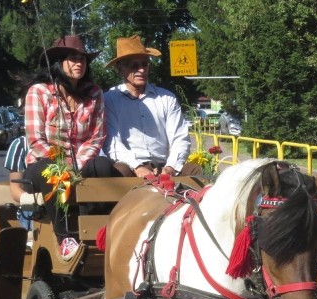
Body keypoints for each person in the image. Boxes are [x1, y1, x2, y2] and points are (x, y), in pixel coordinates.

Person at [21, 35, 118, 261]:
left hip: (80, 163)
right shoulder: (40, 92)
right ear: (59, 63)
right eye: (73, 59)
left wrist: (78, 165)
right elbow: (36, 140)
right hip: (43, 164)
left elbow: (96, 137)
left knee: (103, 166)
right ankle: (65, 236)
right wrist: (62, 165)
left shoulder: (94, 93)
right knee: (53, 174)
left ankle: (95, 230)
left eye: (82, 60)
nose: (79, 64)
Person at [103, 35, 193, 178]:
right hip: (129, 167)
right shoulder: (109, 99)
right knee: (118, 172)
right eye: (134, 66)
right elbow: (112, 142)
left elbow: (180, 137)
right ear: (120, 70)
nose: (141, 70)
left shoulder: (167, 98)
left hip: (164, 165)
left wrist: (170, 167)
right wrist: (137, 167)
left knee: (194, 171)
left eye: (144, 64)